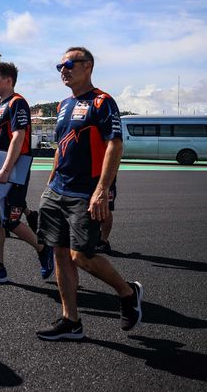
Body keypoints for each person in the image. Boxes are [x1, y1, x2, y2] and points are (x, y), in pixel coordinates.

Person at [36, 47, 142, 340]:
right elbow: (61, 148)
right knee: (60, 253)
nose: (63, 69)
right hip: (57, 189)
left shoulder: (102, 102)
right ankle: (71, 320)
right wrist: (50, 182)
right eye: (59, 65)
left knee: (82, 255)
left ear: (88, 66)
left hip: (86, 192)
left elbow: (115, 145)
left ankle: (127, 292)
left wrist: (102, 190)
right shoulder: (62, 105)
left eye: (69, 63)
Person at [0, 62, 54, 284]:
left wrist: (6, 169)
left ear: (9, 80)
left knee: (10, 220)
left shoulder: (18, 103)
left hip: (12, 169)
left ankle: (44, 248)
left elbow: (18, 137)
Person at [95, 181, 116, 253]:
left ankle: (103, 241)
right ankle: (95, 236)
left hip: (105, 184)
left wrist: (104, 188)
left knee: (105, 209)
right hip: (84, 180)